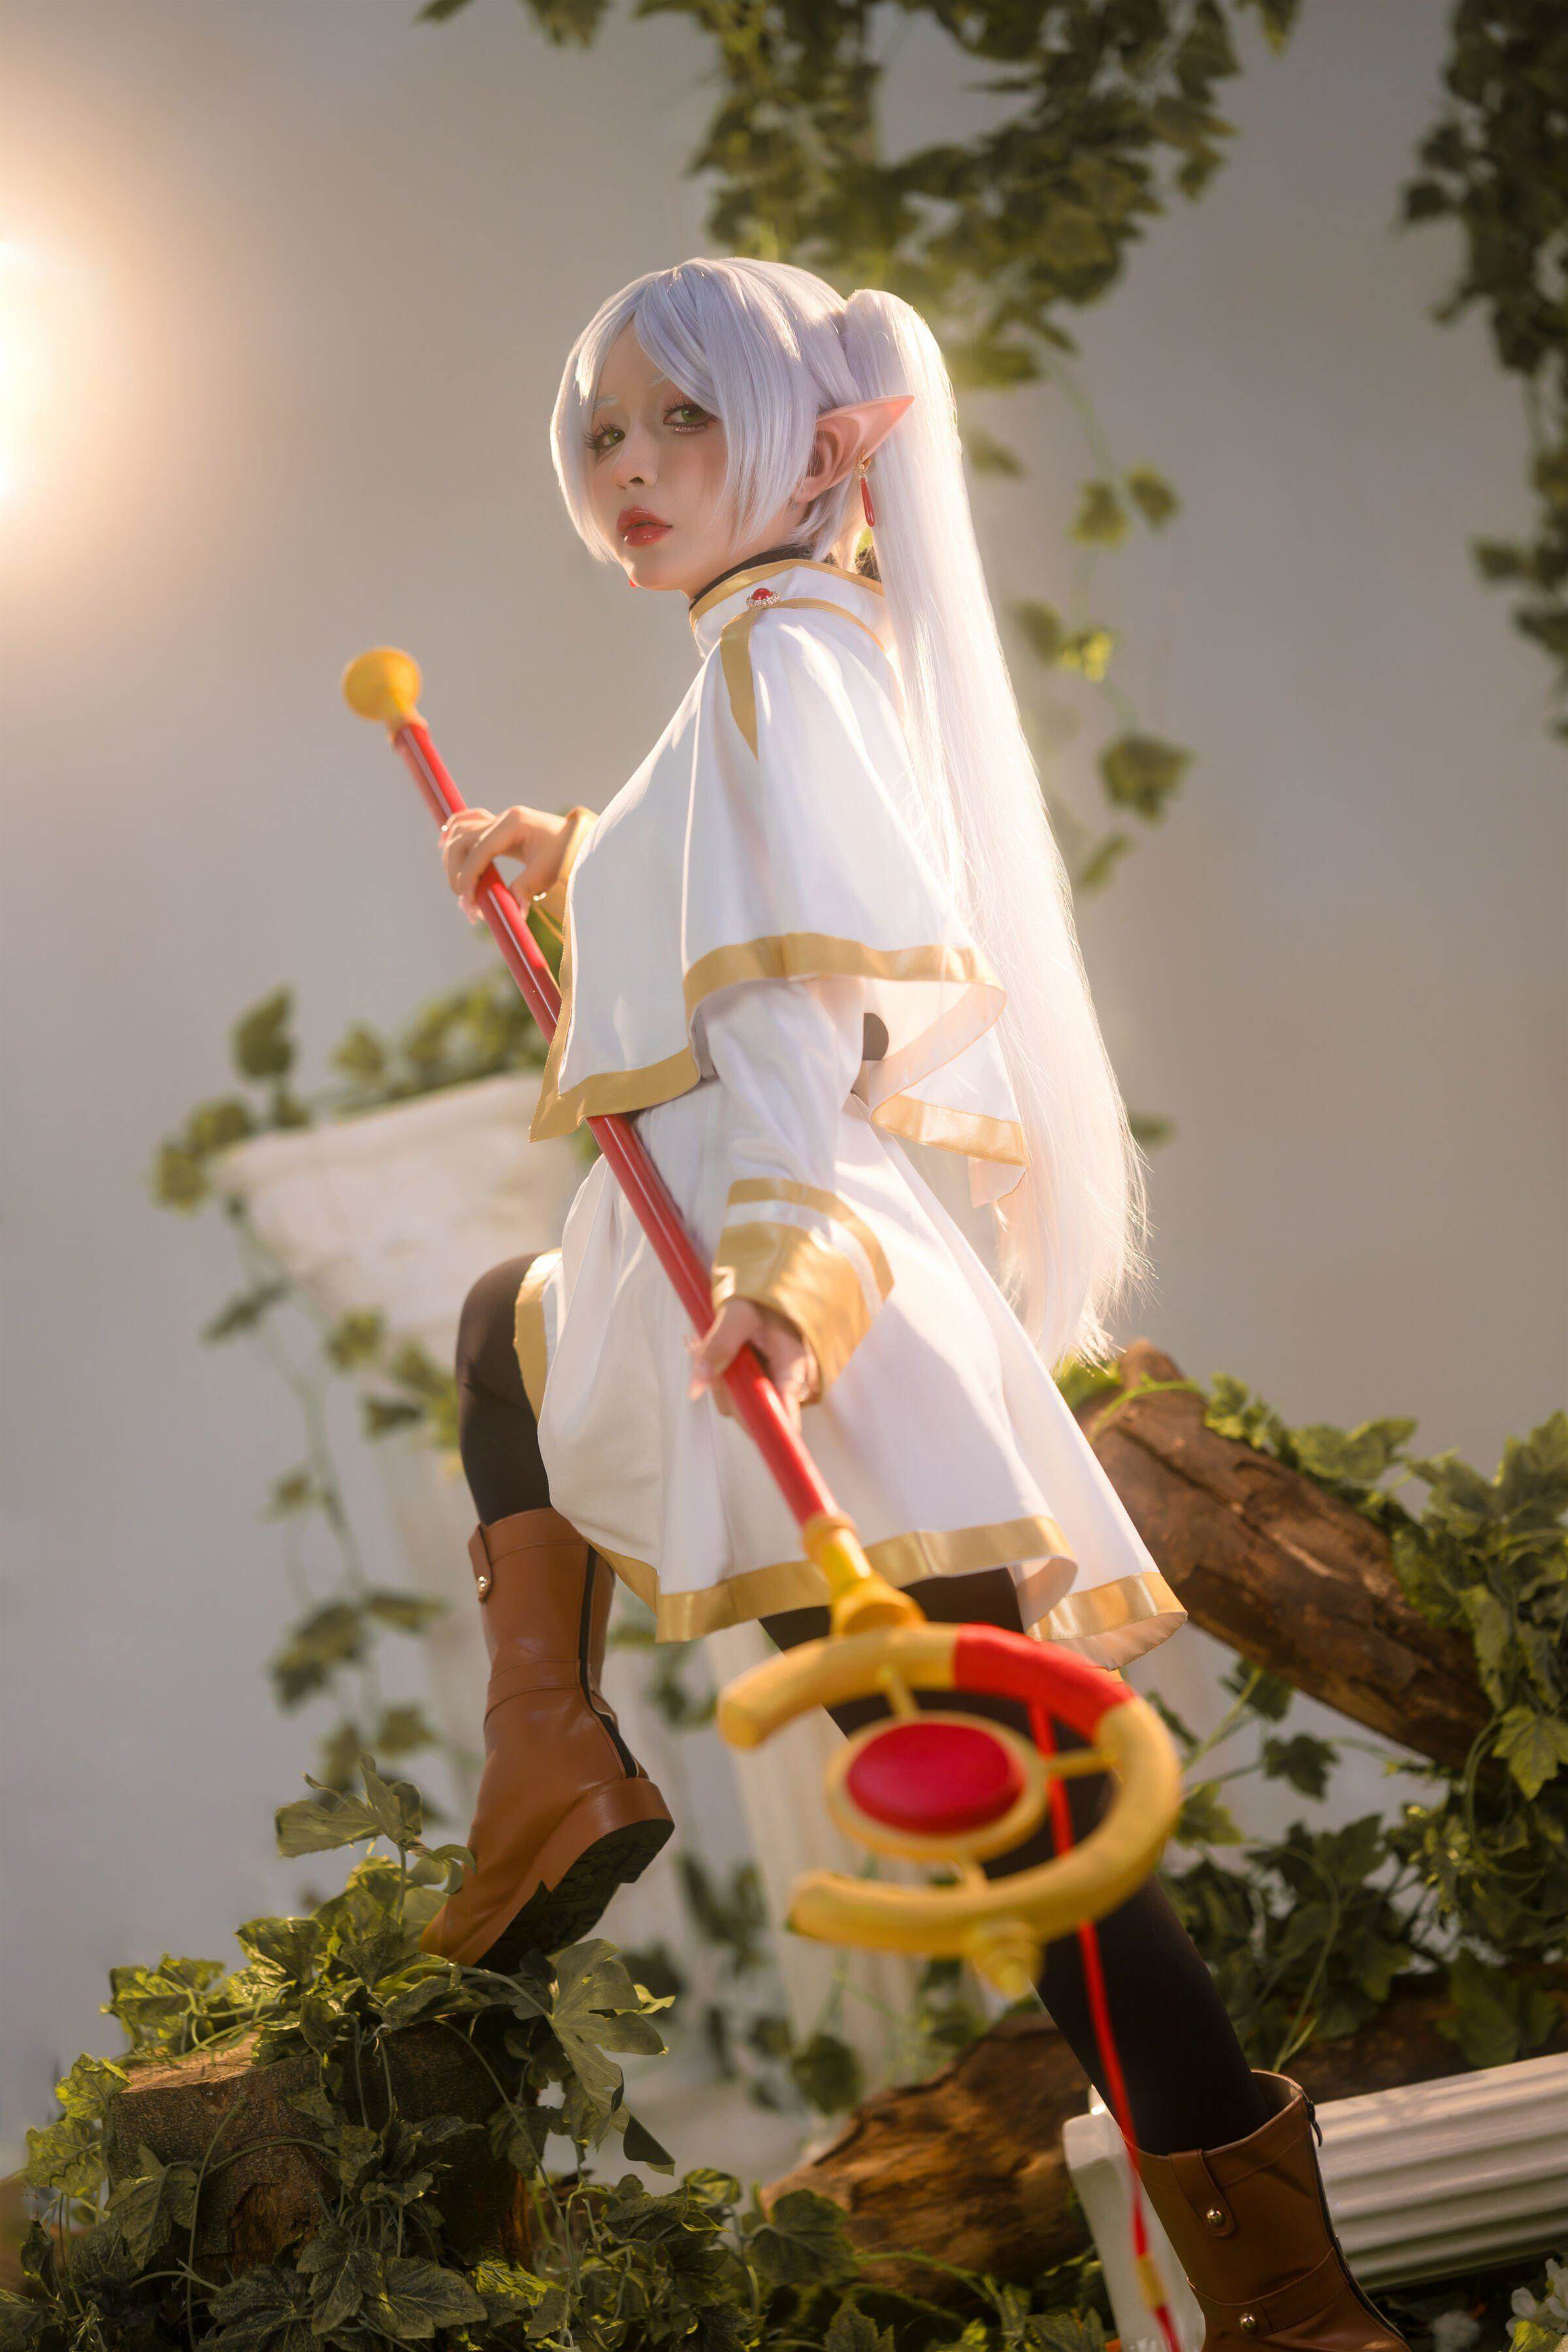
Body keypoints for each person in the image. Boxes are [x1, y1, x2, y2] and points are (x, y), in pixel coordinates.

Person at [422, 257, 1407, 2351]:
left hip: (786, 1264)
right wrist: (576, 854)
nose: (630, 468)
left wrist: (793, 1272)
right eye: (603, 433)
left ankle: (1294, 2307)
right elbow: (724, 887)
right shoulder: (769, 645)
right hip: (741, 1243)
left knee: (1050, 1847)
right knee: (507, 1323)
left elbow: (807, 993)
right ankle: (555, 1763)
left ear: (827, 445)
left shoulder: (789, 654)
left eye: (684, 420)